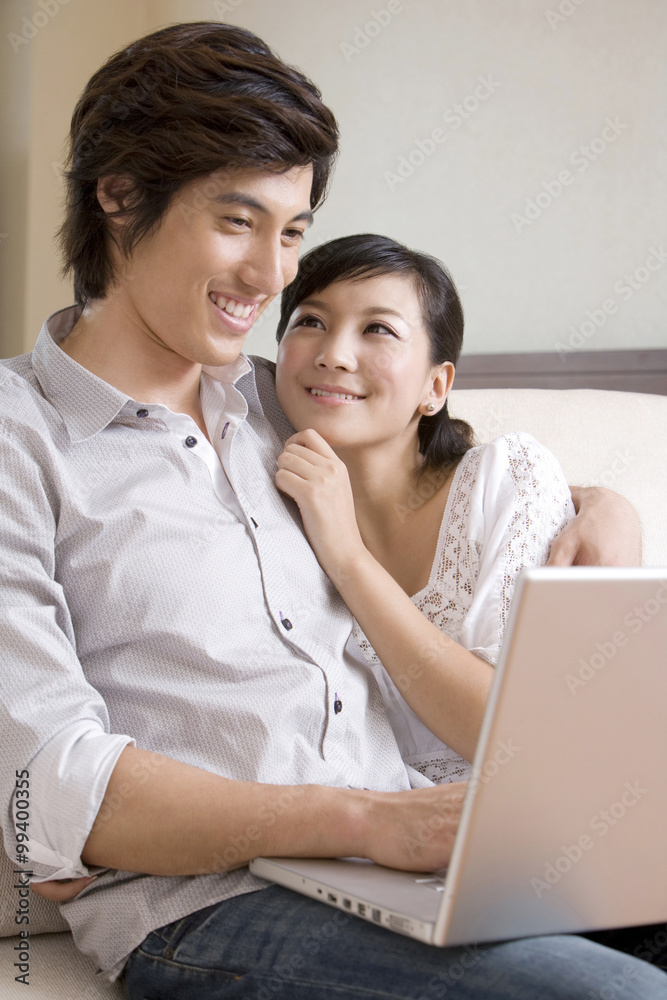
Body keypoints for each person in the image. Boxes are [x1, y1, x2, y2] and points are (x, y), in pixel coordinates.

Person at [2, 21, 662, 1000]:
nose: (272, 278)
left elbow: (430, 458)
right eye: (237, 221)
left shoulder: (277, 399)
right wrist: (367, 822)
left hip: (410, 866)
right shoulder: (22, 438)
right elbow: (52, 784)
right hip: (203, 905)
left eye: (293, 229)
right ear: (120, 194)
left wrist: (600, 503)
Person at [272, 232, 573, 780]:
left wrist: (348, 559)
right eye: (310, 321)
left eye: (378, 329)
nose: (333, 355)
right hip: (350, 844)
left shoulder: (505, 482)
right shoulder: (262, 503)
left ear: (436, 386)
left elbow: (514, 738)